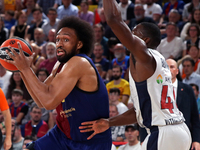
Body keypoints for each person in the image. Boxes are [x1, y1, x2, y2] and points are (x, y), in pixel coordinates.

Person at [79, 0, 192, 149]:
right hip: (179, 130)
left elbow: (113, 20)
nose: (129, 35)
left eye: (134, 32)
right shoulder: (158, 60)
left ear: (144, 41)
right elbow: (140, 112)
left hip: (163, 132)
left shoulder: (144, 55)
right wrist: (109, 122)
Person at [5, 16, 112, 150]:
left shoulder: (80, 62)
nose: (59, 44)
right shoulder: (59, 64)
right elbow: (40, 100)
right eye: (57, 39)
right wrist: (21, 69)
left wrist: (25, 69)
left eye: (66, 40)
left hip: (90, 141)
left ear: (79, 44)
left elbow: (49, 102)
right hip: (62, 135)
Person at [166, 59, 200, 150]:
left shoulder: (188, 90)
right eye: (166, 67)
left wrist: (196, 140)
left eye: (172, 67)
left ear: (177, 71)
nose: (169, 70)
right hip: (164, 138)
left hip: (185, 138)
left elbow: (195, 118)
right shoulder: (157, 90)